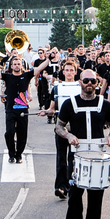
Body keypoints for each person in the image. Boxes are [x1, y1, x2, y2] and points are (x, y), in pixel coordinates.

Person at [56, 69, 110, 219]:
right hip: (77, 156)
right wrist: (68, 135)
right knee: (75, 197)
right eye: (86, 81)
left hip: (98, 156)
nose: (89, 83)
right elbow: (59, 126)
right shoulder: (70, 104)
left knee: (96, 197)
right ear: (80, 82)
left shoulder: (105, 104)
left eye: (92, 81)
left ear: (97, 83)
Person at [0, 55, 50, 163]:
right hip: (10, 109)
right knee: (9, 133)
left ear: (21, 65)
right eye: (14, 64)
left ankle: (19, 155)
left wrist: (48, 59)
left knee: (22, 134)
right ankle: (11, 153)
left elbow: (39, 68)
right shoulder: (7, 76)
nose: (17, 66)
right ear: (11, 66)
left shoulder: (27, 75)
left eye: (18, 64)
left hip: (23, 110)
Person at [39, 61, 81, 199]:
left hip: (76, 127)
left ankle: (71, 184)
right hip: (61, 126)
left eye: (71, 70)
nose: (69, 72)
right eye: (66, 70)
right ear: (63, 72)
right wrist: (47, 112)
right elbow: (52, 108)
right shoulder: (57, 88)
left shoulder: (80, 87)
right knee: (61, 157)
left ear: (75, 72)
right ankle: (60, 187)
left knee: (73, 157)